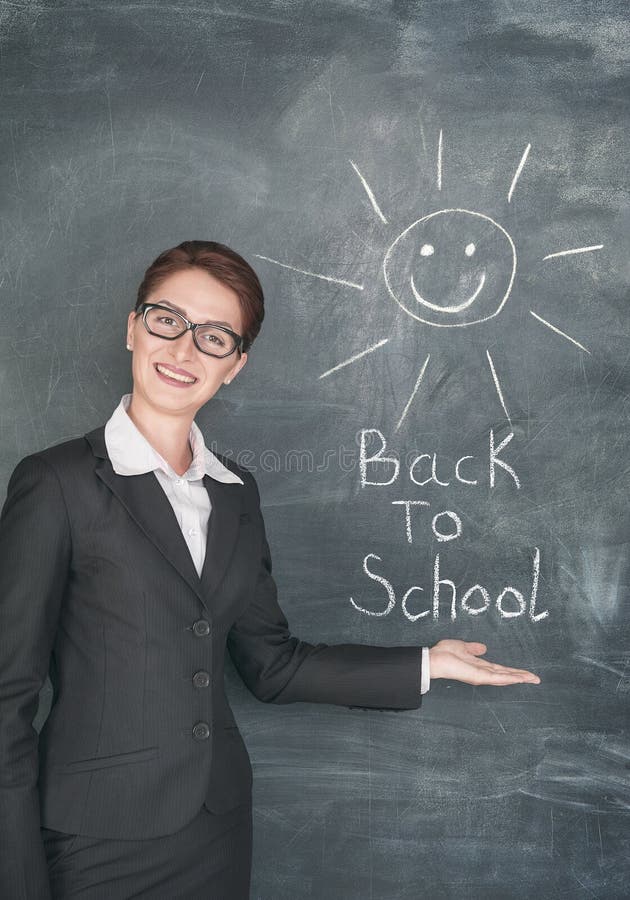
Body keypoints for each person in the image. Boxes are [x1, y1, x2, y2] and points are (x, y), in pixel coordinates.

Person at [0, 240, 540, 899]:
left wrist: (427, 663)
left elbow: (272, 665)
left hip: (216, 835)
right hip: (95, 845)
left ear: (235, 366)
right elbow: (7, 697)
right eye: (167, 319)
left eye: (215, 336)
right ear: (133, 327)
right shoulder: (56, 484)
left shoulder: (235, 492)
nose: (184, 349)